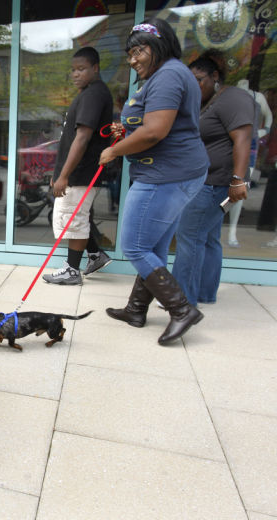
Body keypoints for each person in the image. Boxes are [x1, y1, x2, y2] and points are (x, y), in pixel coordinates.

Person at [99, 19, 209, 346]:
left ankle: (182, 310)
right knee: (155, 247)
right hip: (172, 171)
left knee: (134, 245)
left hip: (166, 174)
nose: (132, 60)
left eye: (138, 51)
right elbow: (151, 126)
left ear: (158, 47)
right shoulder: (165, 75)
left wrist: (115, 150)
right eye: (129, 53)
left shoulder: (170, 75)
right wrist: (127, 132)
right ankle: (136, 310)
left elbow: (156, 131)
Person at [172, 50, 252, 306]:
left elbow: (243, 139)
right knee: (207, 237)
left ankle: (182, 301)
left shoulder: (233, 98)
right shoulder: (207, 102)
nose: (195, 86)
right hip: (207, 181)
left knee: (189, 236)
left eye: (199, 79)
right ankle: (204, 293)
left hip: (214, 183)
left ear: (215, 76)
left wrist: (239, 179)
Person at [43, 46, 113, 285]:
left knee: (72, 219)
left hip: (82, 172)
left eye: (81, 69)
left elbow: (82, 138)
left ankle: (72, 271)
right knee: (78, 217)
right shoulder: (89, 93)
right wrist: (58, 173)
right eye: (73, 70)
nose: (75, 74)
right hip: (78, 172)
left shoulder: (93, 94)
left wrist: (64, 176)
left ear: (95, 68)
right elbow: (70, 139)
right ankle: (95, 254)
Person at [227, 79, 272, 247]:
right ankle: (217, 222)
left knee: (239, 190)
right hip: (226, 144)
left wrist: (264, 130)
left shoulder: (258, 97)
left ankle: (231, 230)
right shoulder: (227, 94)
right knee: (220, 188)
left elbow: (269, 116)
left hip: (250, 147)